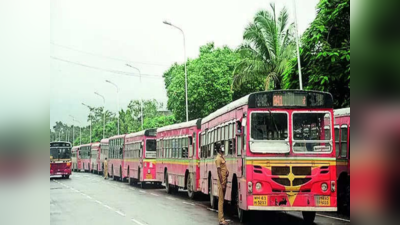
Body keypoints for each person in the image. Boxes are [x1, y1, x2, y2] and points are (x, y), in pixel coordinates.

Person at [215, 142, 229, 225]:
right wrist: (222, 183)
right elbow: (219, 171)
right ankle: (221, 219)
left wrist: (227, 172)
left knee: (223, 200)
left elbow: (223, 169)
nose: (223, 147)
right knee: (221, 201)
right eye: (222, 147)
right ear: (219, 149)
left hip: (224, 180)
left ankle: (222, 218)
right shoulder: (218, 158)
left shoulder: (222, 157)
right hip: (221, 182)